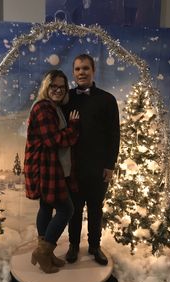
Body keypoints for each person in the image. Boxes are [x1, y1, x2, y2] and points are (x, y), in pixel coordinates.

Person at [64, 54, 120, 265]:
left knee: (96, 209)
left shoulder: (107, 99)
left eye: (85, 68)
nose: (81, 73)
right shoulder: (67, 99)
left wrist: (110, 165)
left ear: (93, 71)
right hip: (74, 168)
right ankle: (73, 246)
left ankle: (95, 247)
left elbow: (114, 135)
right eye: (77, 69)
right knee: (74, 210)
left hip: (98, 168)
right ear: (73, 72)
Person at [23, 70, 79, 274]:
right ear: (47, 87)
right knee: (67, 210)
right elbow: (53, 140)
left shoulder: (53, 107)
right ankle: (43, 252)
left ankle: (44, 252)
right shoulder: (43, 108)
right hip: (45, 167)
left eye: (62, 87)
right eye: (54, 86)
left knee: (46, 207)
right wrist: (73, 127)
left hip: (48, 166)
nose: (58, 90)